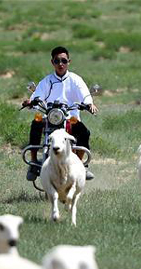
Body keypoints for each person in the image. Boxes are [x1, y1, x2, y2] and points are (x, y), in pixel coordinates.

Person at [22, 46, 98, 182]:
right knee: (36, 123)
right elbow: (37, 95)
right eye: (57, 61)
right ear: (52, 62)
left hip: (70, 117)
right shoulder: (46, 81)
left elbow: (85, 94)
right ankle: (33, 163)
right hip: (50, 116)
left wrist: (89, 103)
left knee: (84, 132)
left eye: (64, 60)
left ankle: (81, 165)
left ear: (69, 61)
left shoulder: (76, 80)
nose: (60, 64)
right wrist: (31, 101)